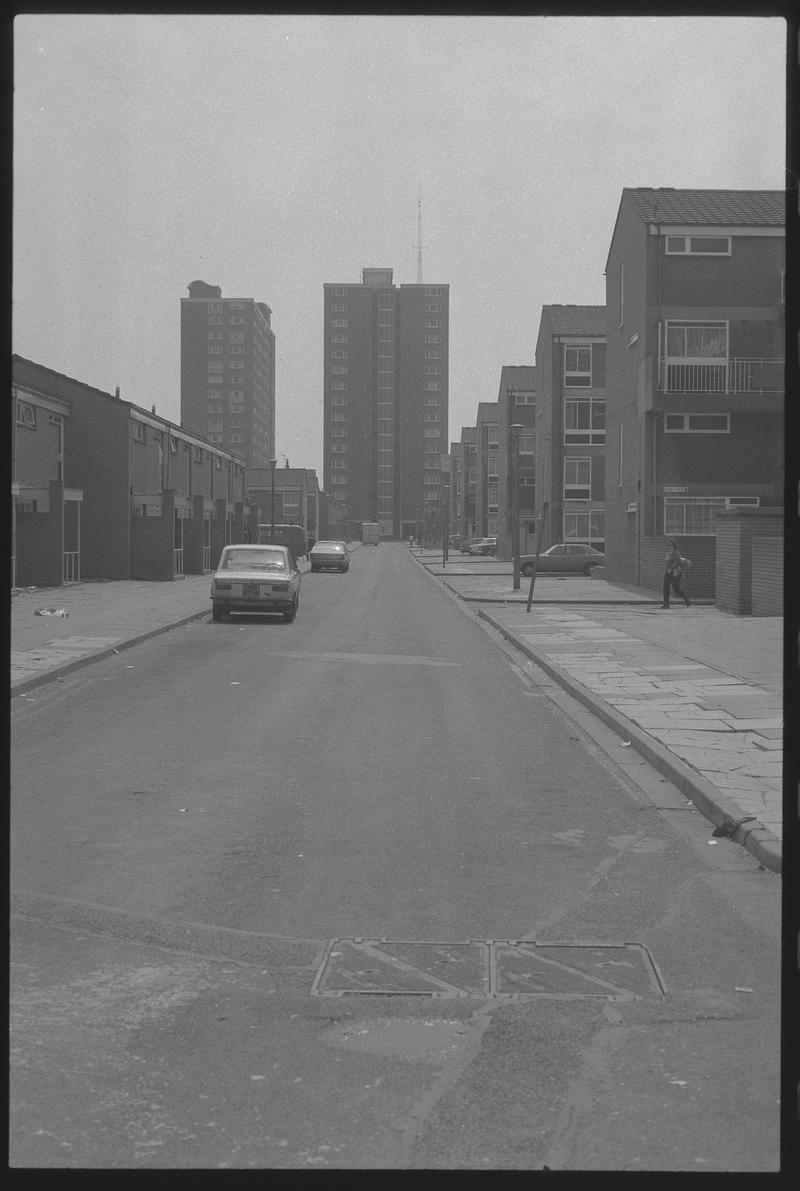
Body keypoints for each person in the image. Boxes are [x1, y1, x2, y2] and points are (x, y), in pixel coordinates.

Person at [662, 539, 691, 608]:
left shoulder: (676, 553)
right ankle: (666, 604)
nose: (670, 547)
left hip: (675, 573)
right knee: (665, 588)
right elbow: (667, 562)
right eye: (668, 545)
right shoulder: (668, 554)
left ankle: (687, 601)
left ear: (674, 546)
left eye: (671, 545)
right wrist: (667, 569)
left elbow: (678, 562)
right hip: (668, 573)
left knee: (676, 588)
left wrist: (671, 568)